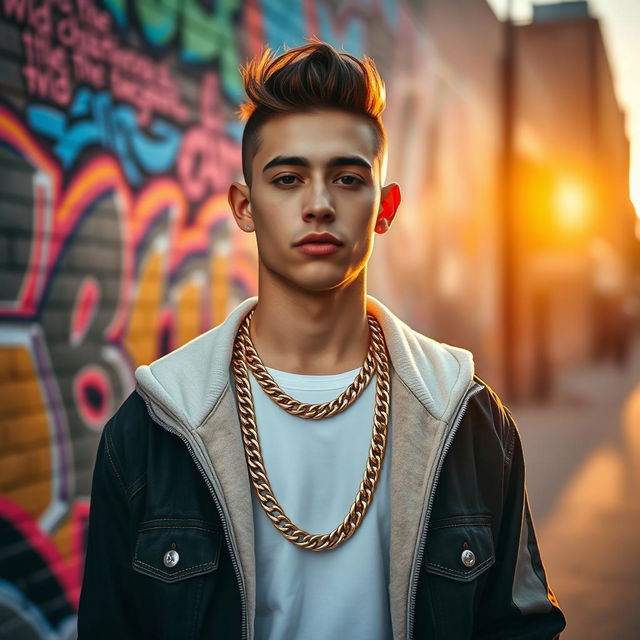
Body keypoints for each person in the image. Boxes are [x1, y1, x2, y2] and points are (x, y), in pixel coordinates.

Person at [77, 40, 566, 639]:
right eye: (287, 178)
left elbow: (520, 628)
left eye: (347, 178)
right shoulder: (152, 430)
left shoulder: (466, 419)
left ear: (385, 208)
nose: (318, 204)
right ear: (244, 205)